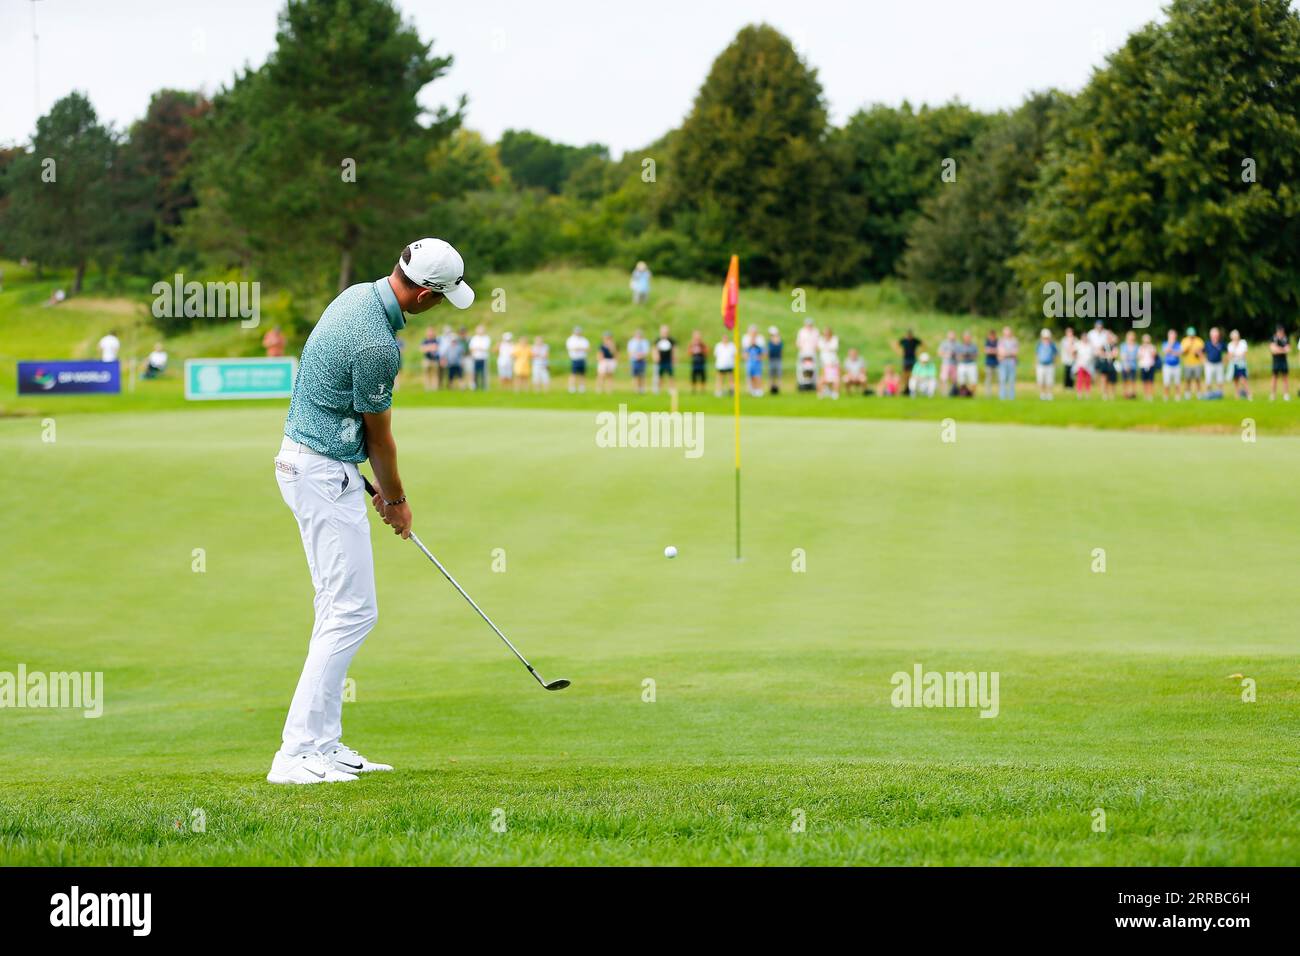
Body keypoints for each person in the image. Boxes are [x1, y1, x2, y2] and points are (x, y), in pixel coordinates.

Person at [269, 237, 474, 784]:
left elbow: (359, 428)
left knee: (340, 609)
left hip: (316, 463)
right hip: (319, 473)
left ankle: (323, 744)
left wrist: (382, 493)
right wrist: (398, 501)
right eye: (443, 298)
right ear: (426, 294)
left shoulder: (359, 294)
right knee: (350, 612)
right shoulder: (378, 343)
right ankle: (294, 754)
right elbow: (381, 441)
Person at [1180, 326, 1205, 400]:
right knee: (1187, 379)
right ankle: (1187, 394)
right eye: (1190, 335)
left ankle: (1199, 394)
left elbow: (1201, 351)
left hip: (1197, 363)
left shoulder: (1199, 340)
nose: (1191, 336)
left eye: (1192, 335)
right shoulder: (1185, 340)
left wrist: (1198, 352)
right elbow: (1182, 352)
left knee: (1198, 379)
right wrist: (1188, 347)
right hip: (1187, 363)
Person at [1268, 324, 1290, 401]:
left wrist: (1279, 349)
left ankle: (1286, 395)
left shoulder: (1286, 339)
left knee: (1285, 378)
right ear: (1277, 332)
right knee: (1274, 378)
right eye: (1279, 332)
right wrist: (1282, 349)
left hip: (1284, 361)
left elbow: (1288, 349)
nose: (1281, 333)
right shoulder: (1273, 339)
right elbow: (1273, 350)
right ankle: (1273, 394)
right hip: (1276, 361)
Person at [1227, 329, 1250, 400]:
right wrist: (1236, 355)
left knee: (1243, 380)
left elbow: (1244, 354)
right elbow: (1230, 356)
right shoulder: (1230, 345)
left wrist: (1236, 355)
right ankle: (1237, 395)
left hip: (1241, 364)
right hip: (1234, 364)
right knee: (1236, 380)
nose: (1235, 338)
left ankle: (1249, 394)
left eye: (1236, 336)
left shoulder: (1243, 343)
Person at [996, 326, 1018, 400]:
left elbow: (1015, 352)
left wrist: (1005, 353)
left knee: (1011, 380)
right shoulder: (1001, 341)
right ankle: (1002, 397)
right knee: (1002, 380)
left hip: (1011, 362)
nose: (1007, 334)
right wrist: (1008, 353)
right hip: (1003, 362)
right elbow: (1000, 352)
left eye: (1008, 332)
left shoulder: (1014, 341)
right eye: (1005, 332)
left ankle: (1011, 397)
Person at [566, 326, 590, 393]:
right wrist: (581, 348)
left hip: (582, 358)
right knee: (573, 373)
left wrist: (579, 348)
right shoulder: (571, 339)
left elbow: (587, 349)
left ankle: (581, 387)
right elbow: (571, 348)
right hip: (575, 359)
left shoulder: (584, 339)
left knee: (582, 374)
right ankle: (572, 387)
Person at [1034, 329, 1057, 400]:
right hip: (1041, 365)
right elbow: (1036, 355)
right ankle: (1042, 394)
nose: (1046, 339)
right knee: (1041, 380)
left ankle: (1049, 394)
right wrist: (1035, 363)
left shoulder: (1052, 345)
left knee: (1049, 381)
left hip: (1050, 365)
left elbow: (1055, 354)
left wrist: (1055, 363)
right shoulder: (1039, 344)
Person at [468, 324, 491, 391]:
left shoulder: (486, 338)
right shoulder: (474, 338)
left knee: (483, 373)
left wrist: (478, 348)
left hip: (484, 358)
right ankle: (475, 386)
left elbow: (485, 348)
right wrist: (479, 348)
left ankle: (484, 386)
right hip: (475, 358)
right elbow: (471, 348)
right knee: (475, 373)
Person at [1204, 328, 1226, 395]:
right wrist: (1204, 360)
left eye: (1216, 335)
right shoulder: (1207, 343)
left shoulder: (1221, 343)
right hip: (1209, 364)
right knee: (1208, 380)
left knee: (1220, 380)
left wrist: (1225, 360)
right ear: (1211, 335)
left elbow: (1228, 352)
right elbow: (1200, 352)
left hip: (1219, 364)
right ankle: (1209, 393)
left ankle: (1219, 393)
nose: (1215, 336)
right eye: (1214, 335)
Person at [1161, 329, 1182, 400]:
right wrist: (1171, 346)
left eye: (1173, 335)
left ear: (1175, 336)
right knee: (1166, 383)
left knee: (1177, 382)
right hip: (1167, 366)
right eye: (1171, 335)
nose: (1172, 336)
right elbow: (1165, 351)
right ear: (1168, 336)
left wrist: (1172, 351)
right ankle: (1166, 397)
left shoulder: (1178, 344)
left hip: (1176, 366)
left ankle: (1177, 397)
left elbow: (1179, 354)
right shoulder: (1165, 343)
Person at [653, 325, 676, 393]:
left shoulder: (671, 340)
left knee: (671, 375)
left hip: (668, 360)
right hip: (660, 361)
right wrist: (655, 356)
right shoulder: (658, 340)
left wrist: (674, 358)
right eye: (663, 331)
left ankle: (671, 389)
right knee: (660, 375)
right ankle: (658, 389)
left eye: (666, 331)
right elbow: (655, 349)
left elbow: (674, 350)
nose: (665, 333)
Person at [627, 329, 650, 394]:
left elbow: (646, 351)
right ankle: (636, 389)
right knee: (635, 375)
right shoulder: (631, 342)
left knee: (642, 375)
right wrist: (635, 356)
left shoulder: (645, 342)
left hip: (642, 360)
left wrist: (641, 356)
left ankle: (642, 389)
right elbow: (630, 351)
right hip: (634, 360)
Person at [955, 331, 979, 396]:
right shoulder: (959, 346)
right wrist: (963, 356)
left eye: (968, 337)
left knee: (973, 380)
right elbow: (957, 356)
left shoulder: (973, 346)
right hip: (962, 364)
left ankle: (973, 394)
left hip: (971, 364)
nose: (967, 338)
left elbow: (976, 355)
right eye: (965, 337)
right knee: (961, 380)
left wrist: (969, 355)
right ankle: (963, 393)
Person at [1119, 331, 1139, 400]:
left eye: (1132, 336)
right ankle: (1125, 393)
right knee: (1125, 380)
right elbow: (1122, 356)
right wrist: (1126, 364)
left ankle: (1133, 393)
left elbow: (1137, 356)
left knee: (1133, 380)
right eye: (1130, 336)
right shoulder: (1123, 345)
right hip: (1125, 366)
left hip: (1133, 365)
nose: (1131, 337)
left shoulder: (1136, 345)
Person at [1073, 332, 1094, 398]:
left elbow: (1091, 355)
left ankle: (1087, 394)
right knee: (1080, 379)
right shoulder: (1078, 344)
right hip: (1080, 365)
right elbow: (1073, 352)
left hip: (1088, 365)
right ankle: (1079, 394)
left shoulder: (1090, 345)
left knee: (1088, 380)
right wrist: (1077, 359)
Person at [1137, 333, 1158, 400]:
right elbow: (1139, 356)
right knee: (1144, 381)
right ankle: (1145, 395)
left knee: (1150, 381)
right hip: (1143, 366)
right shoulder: (1140, 347)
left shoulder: (1152, 347)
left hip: (1151, 365)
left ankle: (1150, 395)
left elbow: (1154, 355)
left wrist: (1149, 349)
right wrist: (1143, 349)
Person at [938, 330, 958, 396]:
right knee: (944, 378)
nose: (952, 337)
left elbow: (960, 354)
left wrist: (955, 355)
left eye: (953, 335)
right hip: (946, 363)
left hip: (954, 364)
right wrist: (947, 354)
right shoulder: (944, 343)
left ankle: (953, 392)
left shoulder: (957, 344)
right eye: (951, 335)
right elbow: (939, 353)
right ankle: (944, 393)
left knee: (954, 379)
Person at [1059, 327, 1077, 391]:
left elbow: (1076, 348)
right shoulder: (1064, 340)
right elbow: (1066, 349)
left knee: (1072, 373)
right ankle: (1066, 385)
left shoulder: (1075, 339)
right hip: (1066, 359)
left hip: (1073, 359)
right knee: (1067, 372)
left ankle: (1071, 386)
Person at [767, 326, 784, 394]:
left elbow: (780, 349)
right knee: (771, 375)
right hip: (771, 359)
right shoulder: (770, 341)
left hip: (778, 359)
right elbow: (769, 349)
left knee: (778, 375)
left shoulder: (780, 341)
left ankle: (778, 388)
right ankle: (771, 388)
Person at [982, 328, 999, 396]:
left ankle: (1000, 394)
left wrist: (991, 350)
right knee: (988, 380)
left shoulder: (998, 341)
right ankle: (988, 394)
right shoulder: (987, 341)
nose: (991, 336)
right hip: (988, 363)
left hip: (997, 363)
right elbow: (986, 351)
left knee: (999, 379)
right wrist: (994, 350)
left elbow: (999, 351)